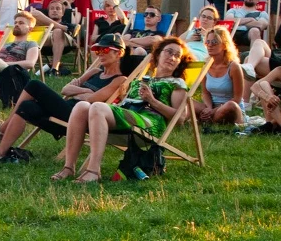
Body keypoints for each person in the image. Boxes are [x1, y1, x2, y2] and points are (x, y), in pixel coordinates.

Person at [0, 32, 129, 165]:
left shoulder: (120, 80)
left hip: (79, 118)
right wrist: (85, 91)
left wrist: (79, 92)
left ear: (119, 53)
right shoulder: (94, 71)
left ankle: (2, 129)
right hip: (65, 108)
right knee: (26, 107)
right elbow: (65, 89)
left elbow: (93, 100)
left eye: (105, 49)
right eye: (97, 49)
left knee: (35, 85)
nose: (100, 53)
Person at [67, 38, 194, 184]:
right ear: (158, 54)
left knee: (97, 107)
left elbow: (180, 118)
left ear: (180, 62)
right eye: (169, 52)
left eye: (177, 56)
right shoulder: (142, 80)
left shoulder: (176, 83)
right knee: (81, 106)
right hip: (129, 115)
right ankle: (68, 167)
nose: (172, 58)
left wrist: (152, 101)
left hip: (149, 123)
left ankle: (93, 171)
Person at [195, 26, 246, 126]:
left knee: (231, 105)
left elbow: (237, 98)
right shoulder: (206, 66)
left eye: (214, 42)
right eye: (207, 42)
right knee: (188, 101)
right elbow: (205, 93)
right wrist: (209, 108)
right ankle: (207, 119)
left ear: (224, 45)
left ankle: (206, 120)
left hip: (230, 107)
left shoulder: (234, 67)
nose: (210, 45)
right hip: (212, 106)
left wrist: (213, 111)